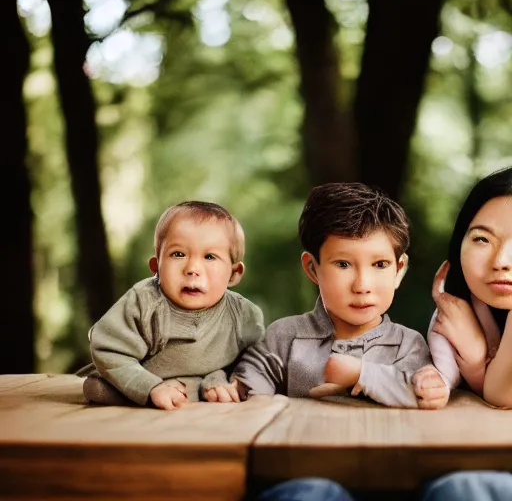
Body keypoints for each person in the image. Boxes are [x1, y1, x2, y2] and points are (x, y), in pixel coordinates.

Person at [232, 182, 446, 409]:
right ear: (313, 269)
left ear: (399, 269)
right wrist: (240, 390)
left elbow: (423, 395)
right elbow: (252, 378)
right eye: (343, 264)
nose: (362, 286)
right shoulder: (285, 337)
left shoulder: (408, 345)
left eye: (380, 264)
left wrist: (361, 375)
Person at [78, 201, 265, 410]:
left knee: (236, 383)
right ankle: (167, 391)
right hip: (140, 375)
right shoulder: (144, 303)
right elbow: (108, 348)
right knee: (97, 388)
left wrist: (232, 381)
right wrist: (151, 387)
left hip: (205, 379)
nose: (192, 268)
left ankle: (195, 387)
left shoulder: (243, 315)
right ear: (156, 266)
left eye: (210, 257)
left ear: (233, 273)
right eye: (178, 254)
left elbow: (256, 359)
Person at [415, 166, 512, 408]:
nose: (501, 262)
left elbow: (501, 396)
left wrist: (476, 364)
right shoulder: (457, 311)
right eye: (482, 239)